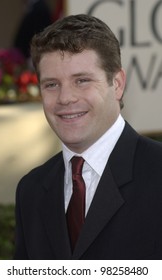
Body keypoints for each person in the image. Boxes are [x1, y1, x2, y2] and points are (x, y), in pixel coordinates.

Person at [14, 14, 162, 260]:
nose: (65, 98)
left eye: (81, 81)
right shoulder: (31, 190)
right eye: (51, 84)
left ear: (117, 83)